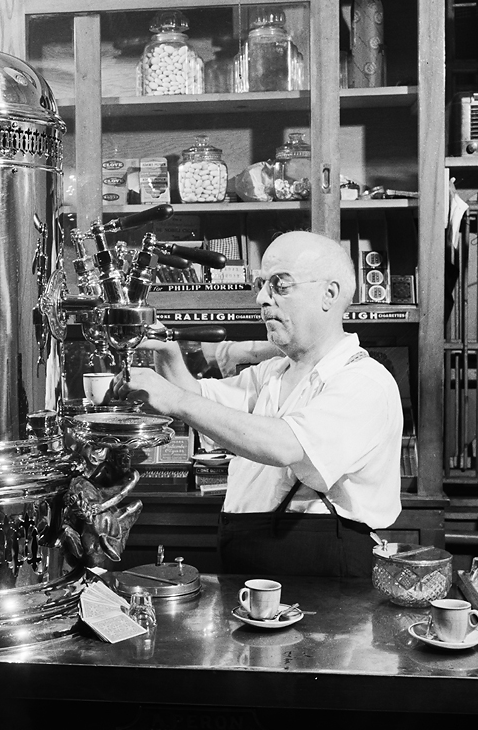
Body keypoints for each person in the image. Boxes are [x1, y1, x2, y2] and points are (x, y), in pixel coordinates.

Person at [112, 230, 403, 577]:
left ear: (330, 293)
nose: (262, 298)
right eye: (261, 284)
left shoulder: (364, 382)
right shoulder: (273, 373)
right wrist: (166, 349)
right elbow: (197, 400)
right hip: (251, 553)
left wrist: (174, 400)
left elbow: (283, 445)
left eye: (280, 284)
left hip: (322, 570)